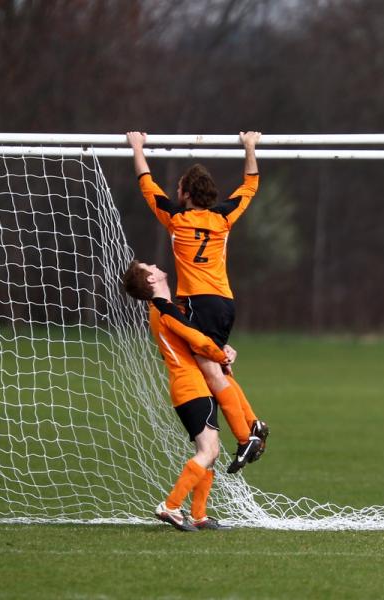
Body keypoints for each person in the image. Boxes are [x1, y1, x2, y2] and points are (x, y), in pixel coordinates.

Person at [127, 130, 268, 472]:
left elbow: (149, 187)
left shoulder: (176, 220)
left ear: (186, 194)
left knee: (210, 371)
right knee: (218, 368)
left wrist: (138, 148)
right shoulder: (223, 219)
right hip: (225, 302)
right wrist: (250, 147)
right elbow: (250, 185)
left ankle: (246, 434)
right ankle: (254, 425)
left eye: (179, 189)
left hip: (199, 303)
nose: (176, 193)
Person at [121, 260, 258, 531]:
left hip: (190, 386)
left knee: (209, 451)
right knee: (208, 451)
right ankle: (170, 506)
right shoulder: (166, 310)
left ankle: (199, 516)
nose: (154, 265)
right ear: (150, 280)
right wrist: (221, 357)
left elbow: (197, 338)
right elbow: (197, 341)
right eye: (149, 267)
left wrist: (222, 350)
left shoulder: (167, 308)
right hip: (191, 387)